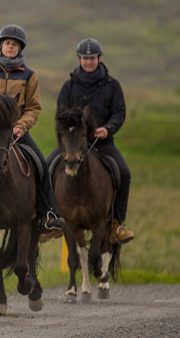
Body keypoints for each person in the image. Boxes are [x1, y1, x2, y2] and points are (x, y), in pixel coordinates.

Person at [0, 25, 65, 233]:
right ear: (1, 46)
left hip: (16, 133)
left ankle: (49, 212)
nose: (10, 47)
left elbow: (33, 107)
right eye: (7, 43)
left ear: (20, 48)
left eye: (14, 44)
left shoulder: (29, 76)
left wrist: (21, 126)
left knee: (40, 163)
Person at [53, 38, 135, 244]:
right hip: (72, 144)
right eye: (85, 58)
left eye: (92, 58)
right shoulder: (69, 86)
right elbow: (60, 115)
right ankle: (51, 218)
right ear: (79, 59)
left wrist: (107, 129)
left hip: (102, 143)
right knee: (46, 168)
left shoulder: (112, 85)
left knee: (124, 173)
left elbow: (119, 113)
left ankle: (117, 224)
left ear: (99, 59)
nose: (88, 62)